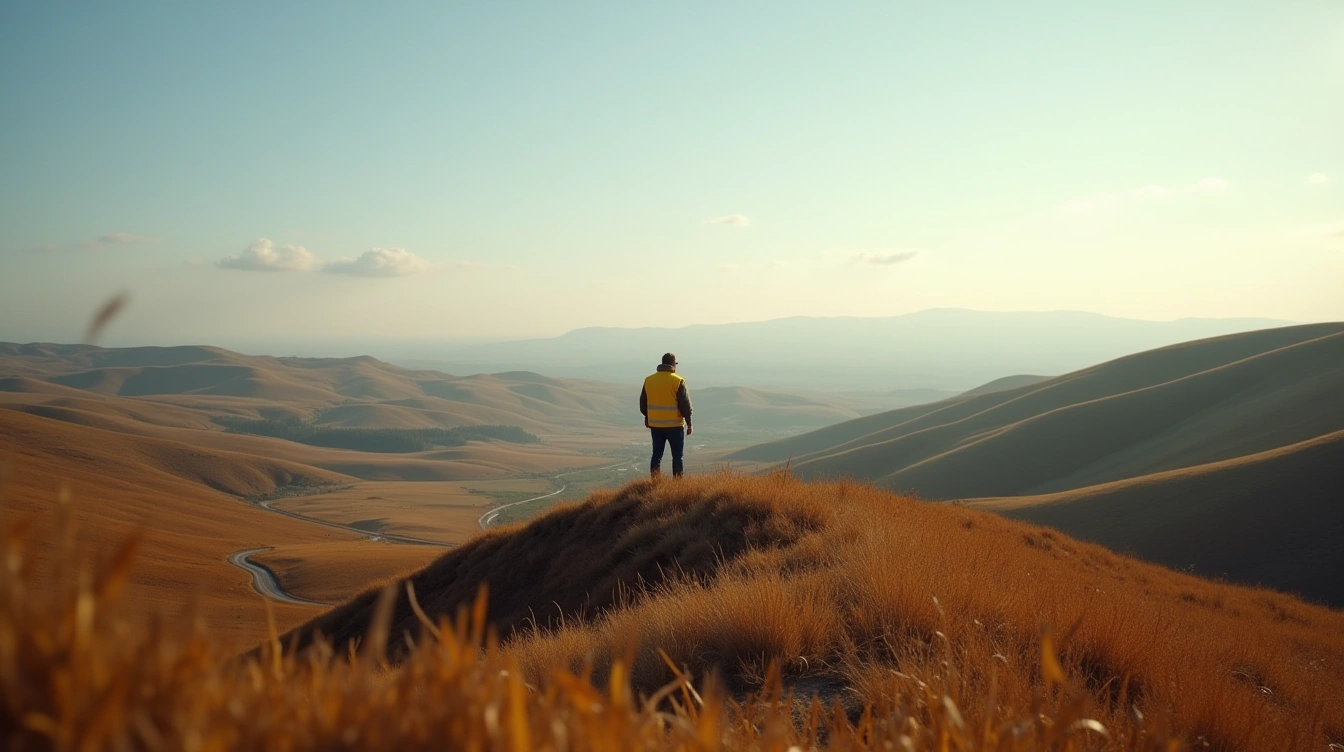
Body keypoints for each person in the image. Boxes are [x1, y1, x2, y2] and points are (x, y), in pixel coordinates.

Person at [639, 352, 692, 477]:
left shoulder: (649, 380)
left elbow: (643, 403)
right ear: (673, 364)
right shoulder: (678, 381)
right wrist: (689, 422)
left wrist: (647, 417)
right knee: (677, 456)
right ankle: (677, 483)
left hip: (655, 425)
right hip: (675, 425)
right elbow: (684, 404)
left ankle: (655, 482)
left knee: (656, 455)